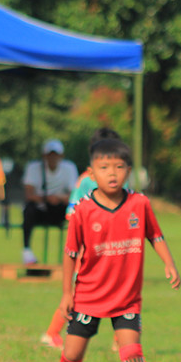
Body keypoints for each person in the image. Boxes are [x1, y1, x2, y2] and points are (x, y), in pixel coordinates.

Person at [43, 138, 180, 362]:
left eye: (119, 167)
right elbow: (69, 254)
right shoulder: (82, 211)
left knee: (132, 352)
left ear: (129, 171)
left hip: (126, 299)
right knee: (71, 355)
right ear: (92, 173)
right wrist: (67, 294)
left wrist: (168, 263)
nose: (112, 173)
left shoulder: (139, 204)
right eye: (105, 167)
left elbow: (155, 235)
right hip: (88, 297)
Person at [40, 127, 122, 350]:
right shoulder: (87, 181)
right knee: (79, 295)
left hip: (111, 248)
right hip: (89, 250)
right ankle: (51, 333)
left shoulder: (116, 179)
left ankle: (120, 340)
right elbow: (73, 212)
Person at [21, 139, 78, 265]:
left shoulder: (69, 168)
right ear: (44, 156)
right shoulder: (34, 167)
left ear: (61, 156)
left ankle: (75, 253)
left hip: (60, 208)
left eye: (55, 155)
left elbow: (74, 195)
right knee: (28, 210)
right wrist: (47, 198)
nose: (52, 158)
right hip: (41, 208)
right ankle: (26, 251)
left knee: (76, 213)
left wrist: (58, 198)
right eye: (49, 155)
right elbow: (29, 194)